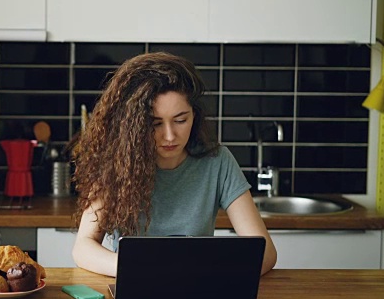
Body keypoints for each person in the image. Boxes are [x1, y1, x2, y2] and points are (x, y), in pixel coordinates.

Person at [71, 52, 277, 277]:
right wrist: (139, 270)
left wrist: (210, 273)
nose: (170, 136)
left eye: (180, 120)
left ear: (194, 116)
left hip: (197, 288)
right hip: (136, 284)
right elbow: (83, 247)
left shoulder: (218, 162)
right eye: (155, 123)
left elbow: (265, 253)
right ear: (133, 125)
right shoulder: (117, 164)